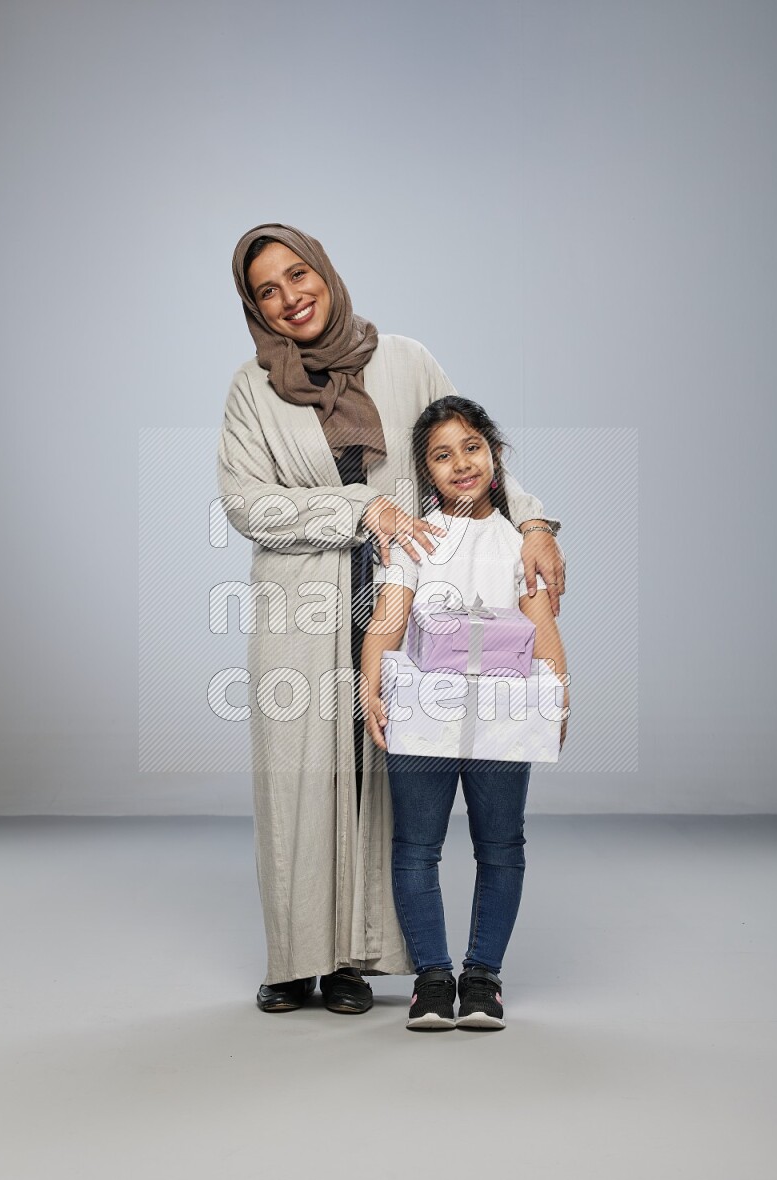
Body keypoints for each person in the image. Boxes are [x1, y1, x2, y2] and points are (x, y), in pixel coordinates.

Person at [216, 223, 565, 1016]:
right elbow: (245, 502)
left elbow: (466, 456)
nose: (289, 297)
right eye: (267, 289)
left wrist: (539, 523)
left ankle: (352, 960)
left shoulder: (405, 359)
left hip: (413, 598)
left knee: (385, 778)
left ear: (326, 272)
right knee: (302, 780)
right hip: (302, 605)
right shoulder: (252, 388)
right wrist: (359, 507)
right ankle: (293, 957)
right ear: (255, 307)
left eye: (297, 274)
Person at [360, 395, 569, 1031]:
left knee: (501, 846)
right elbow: (388, 621)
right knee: (417, 848)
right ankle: (432, 977)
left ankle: (483, 978)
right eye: (441, 456)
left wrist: (558, 691)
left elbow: (541, 628)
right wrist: (372, 681)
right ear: (426, 472)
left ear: (495, 456)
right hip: (425, 716)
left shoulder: (520, 542)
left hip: (502, 719)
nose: (460, 464)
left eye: (471, 448)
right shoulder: (418, 538)